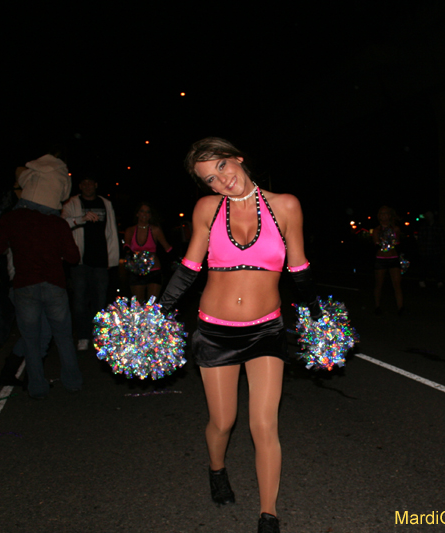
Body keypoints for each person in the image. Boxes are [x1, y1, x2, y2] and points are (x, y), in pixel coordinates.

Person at [159, 137, 316, 533]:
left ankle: (269, 515)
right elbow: (190, 266)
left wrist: (317, 313)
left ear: (238, 159)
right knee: (223, 421)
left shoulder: (286, 206)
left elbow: (298, 268)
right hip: (215, 330)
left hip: (266, 330)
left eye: (223, 168)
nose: (221, 182)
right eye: (210, 179)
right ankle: (217, 469)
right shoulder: (207, 209)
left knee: (264, 424)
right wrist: (157, 312)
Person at [0, 190, 82, 400]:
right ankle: (73, 382)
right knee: (62, 336)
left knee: (31, 338)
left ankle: (37, 386)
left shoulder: (13, 219)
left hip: (25, 285)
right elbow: (73, 257)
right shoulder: (56, 222)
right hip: (54, 284)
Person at [62, 177, 119, 351]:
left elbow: (111, 231)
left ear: (96, 184)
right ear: (80, 186)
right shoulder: (72, 203)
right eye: (84, 183)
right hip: (79, 261)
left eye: (90, 182)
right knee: (79, 302)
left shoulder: (105, 203)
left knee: (100, 302)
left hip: (101, 261)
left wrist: (112, 258)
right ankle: (83, 336)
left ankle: (98, 337)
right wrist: (81, 218)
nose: (87, 185)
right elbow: (62, 223)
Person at [123, 202, 173, 303]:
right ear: (137, 214)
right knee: (138, 305)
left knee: (151, 306)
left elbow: (167, 247)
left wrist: (180, 260)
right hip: (137, 271)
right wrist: (130, 254)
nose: (144, 214)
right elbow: (126, 246)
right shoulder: (130, 230)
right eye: (142, 211)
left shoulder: (155, 230)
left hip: (154, 271)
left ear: (150, 215)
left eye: (148, 212)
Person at [373, 206, 404, 315]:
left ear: (390, 215)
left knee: (397, 284)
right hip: (381, 259)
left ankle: (400, 308)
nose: (383, 215)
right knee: (379, 284)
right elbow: (377, 243)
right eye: (381, 213)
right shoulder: (377, 230)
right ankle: (377, 307)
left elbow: (397, 242)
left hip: (393, 258)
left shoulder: (395, 229)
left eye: (385, 213)